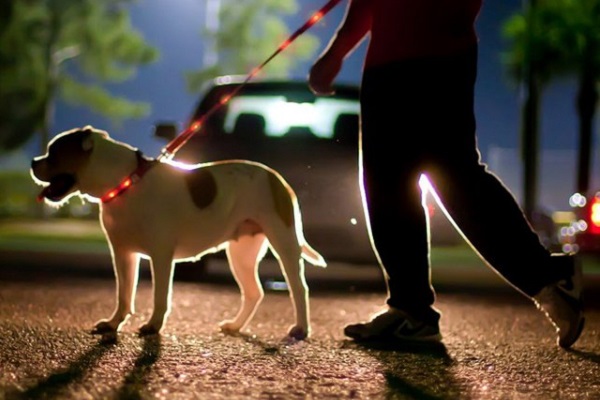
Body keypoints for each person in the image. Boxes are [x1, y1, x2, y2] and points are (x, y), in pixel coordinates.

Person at [308, 0, 585, 348]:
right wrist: (337, 52)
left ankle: (544, 277)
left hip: (429, 53)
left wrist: (336, 52)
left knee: (447, 175)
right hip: (405, 59)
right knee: (396, 183)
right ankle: (412, 309)